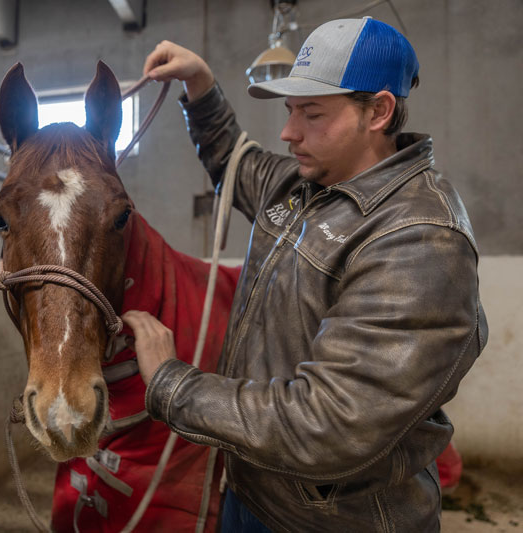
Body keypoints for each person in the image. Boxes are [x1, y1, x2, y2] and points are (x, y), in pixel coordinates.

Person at [121, 17, 488, 532]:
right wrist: (199, 84)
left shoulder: (420, 239)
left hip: (331, 519)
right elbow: (233, 159)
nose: (288, 132)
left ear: (378, 111)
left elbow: (329, 424)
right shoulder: (303, 183)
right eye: (292, 110)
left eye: (312, 113)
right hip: (253, 489)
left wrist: (171, 384)